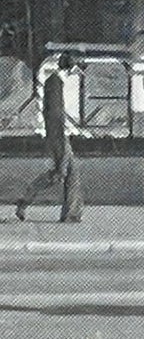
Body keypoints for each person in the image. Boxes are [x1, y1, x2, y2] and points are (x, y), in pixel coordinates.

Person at [17, 53, 83, 223]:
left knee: (72, 173)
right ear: (69, 69)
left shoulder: (55, 81)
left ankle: (71, 214)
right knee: (59, 174)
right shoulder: (55, 83)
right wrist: (60, 139)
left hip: (59, 134)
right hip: (58, 135)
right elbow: (54, 114)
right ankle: (25, 201)